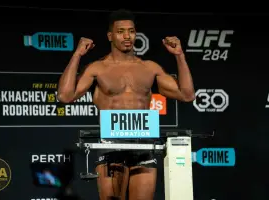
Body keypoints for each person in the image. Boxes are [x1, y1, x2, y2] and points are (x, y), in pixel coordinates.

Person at [57, 9, 195, 200]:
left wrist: (179, 55)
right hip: (110, 145)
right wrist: (77, 55)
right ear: (110, 36)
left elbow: (187, 95)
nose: (127, 36)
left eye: (131, 31)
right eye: (121, 31)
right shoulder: (98, 68)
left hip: (144, 144)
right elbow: (65, 96)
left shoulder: (149, 68)